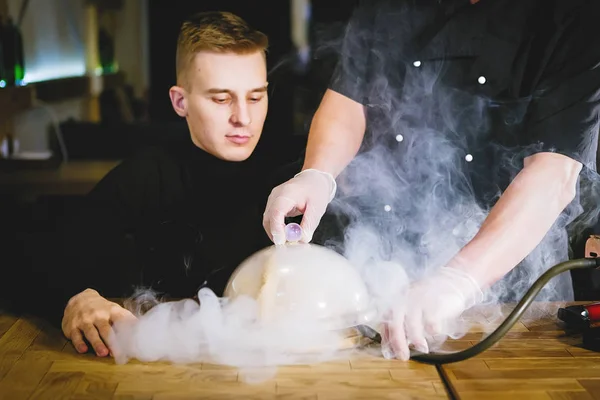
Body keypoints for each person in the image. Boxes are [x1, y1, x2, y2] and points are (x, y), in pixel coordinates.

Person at [262, 0, 600, 361]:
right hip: (384, 265)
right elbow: (348, 101)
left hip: (510, 292)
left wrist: (458, 281)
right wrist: (317, 174)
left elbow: (552, 176)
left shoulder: (577, 17)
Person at [19, 11, 293, 358]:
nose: (244, 117)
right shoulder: (146, 175)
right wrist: (77, 296)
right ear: (181, 102)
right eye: (222, 98)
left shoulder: (294, 172)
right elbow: (47, 258)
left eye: (255, 97)